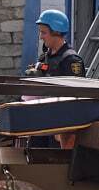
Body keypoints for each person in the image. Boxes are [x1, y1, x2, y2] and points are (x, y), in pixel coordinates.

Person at [26, 9, 84, 148]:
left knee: (56, 163)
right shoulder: (44, 58)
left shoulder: (71, 60)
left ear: (56, 33)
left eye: (44, 32)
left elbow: (76, 97)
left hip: (60, 126)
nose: (41, 37)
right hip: (41, 122)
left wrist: (64, 131)